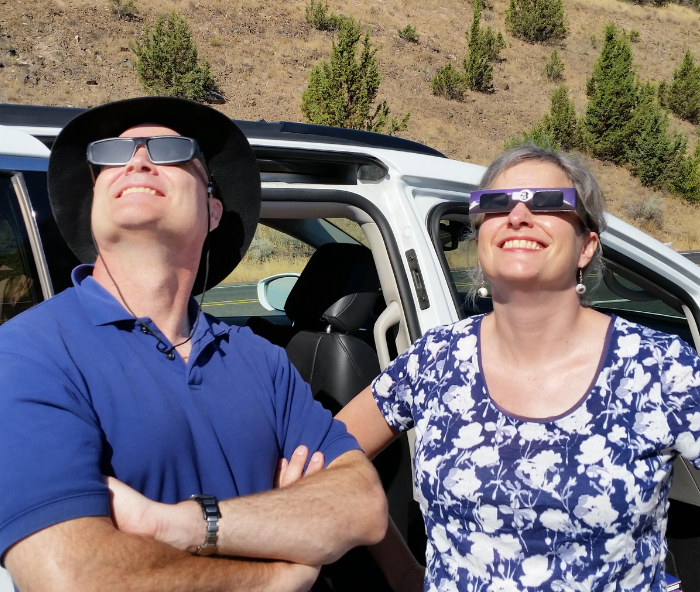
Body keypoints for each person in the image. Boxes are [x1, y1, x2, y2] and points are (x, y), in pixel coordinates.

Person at [0, 97, 387, 591]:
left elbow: (363, 505)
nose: (137, 159)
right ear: (94, 202)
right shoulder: (26, 354)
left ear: (213, 209)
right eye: (113, 156)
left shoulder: (262, 360)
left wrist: (182, 526)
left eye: (169, 150)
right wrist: (277, 570)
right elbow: (72, 576)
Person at [336, 144, 700, 591]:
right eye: (496, 203)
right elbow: (331, 453)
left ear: (586, 246)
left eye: (547, 202)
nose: (518, 215)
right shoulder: (435, 359)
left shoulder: (660, 366)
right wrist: (405, 572)